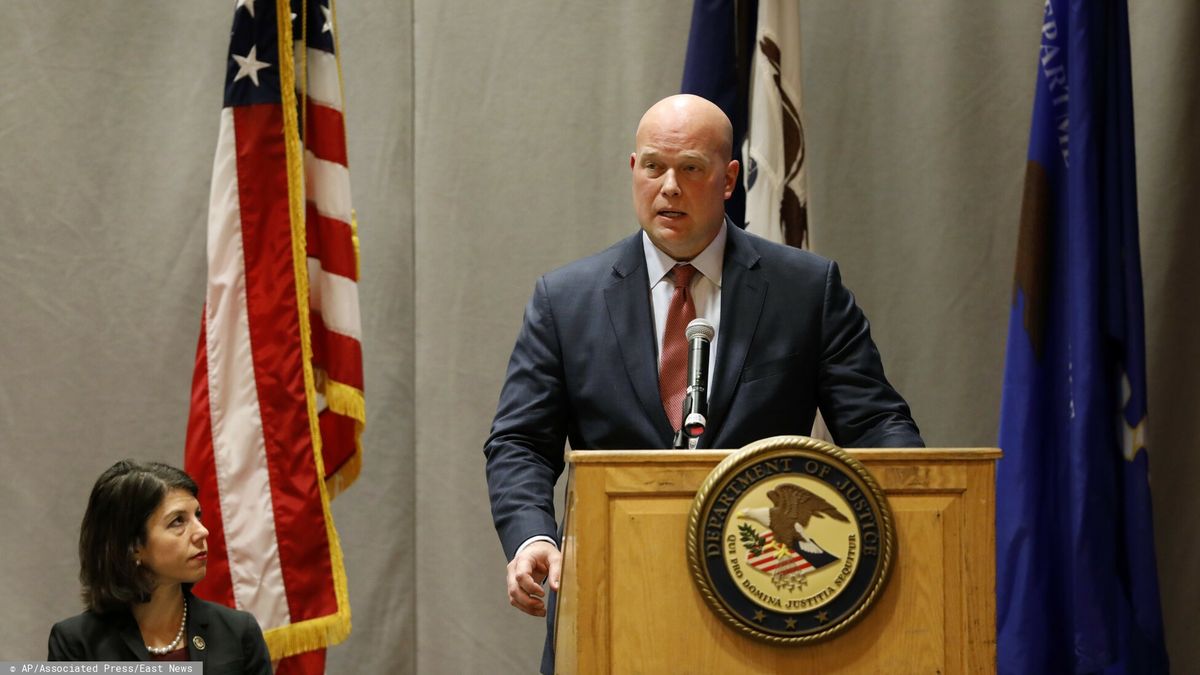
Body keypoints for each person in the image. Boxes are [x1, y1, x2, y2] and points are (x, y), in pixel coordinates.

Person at [484, 94, 923, 671]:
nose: (669, 187)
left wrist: (919, 510)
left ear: (729, 179)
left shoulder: (805, 291)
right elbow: (519, 442)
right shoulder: (565, 301)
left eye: (691, 168)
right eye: (653, 166)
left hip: (767, 599)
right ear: (633, 169)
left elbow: (876, 423)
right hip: (613, 595)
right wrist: (532, 537)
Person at [48, 460, 272, 673]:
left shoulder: (239, 631)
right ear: (133, 546)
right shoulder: (76, 643)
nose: (202, 531)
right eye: (178, 521)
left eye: (197, 515)